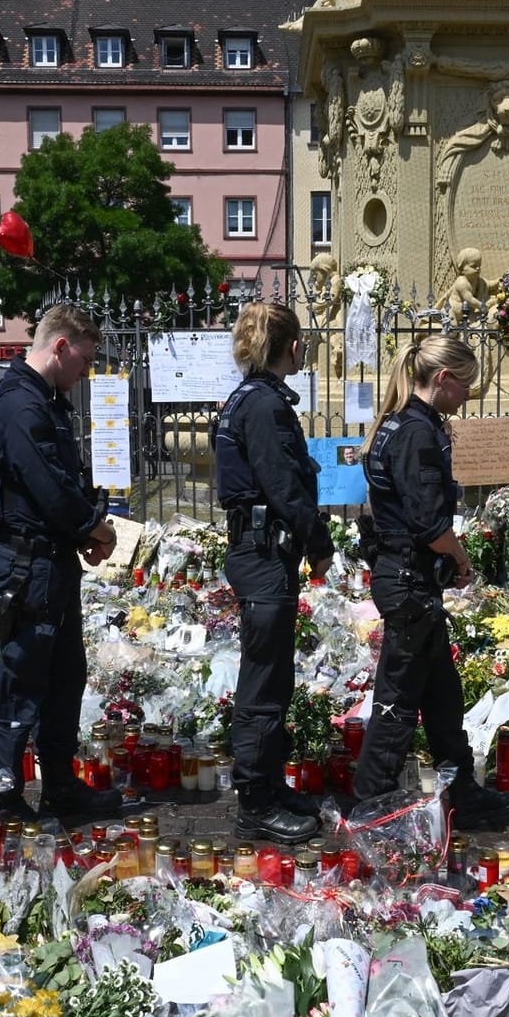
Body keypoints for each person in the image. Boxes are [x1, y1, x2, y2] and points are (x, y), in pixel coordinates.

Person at [355, 335, 509, 829]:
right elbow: (430, 524)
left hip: (407, 577)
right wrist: (463, 561)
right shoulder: (417, 433)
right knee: (397, 701)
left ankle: (461, 789)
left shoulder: (400, 424)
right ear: (442, 380)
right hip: (409, 578)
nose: (467, 396)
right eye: (464, 385)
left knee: (442, 694)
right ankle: (373, 805)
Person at [0, 305, 120, 822]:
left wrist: (84, 527)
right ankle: (4, 796)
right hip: (26, 565)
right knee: (21, 680)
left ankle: (59, 784)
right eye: (83, 360)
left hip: (50, 562)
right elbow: (49, 488)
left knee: (64, 679)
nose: (86, 372)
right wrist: (94, 528)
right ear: (59, 347)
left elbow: (65, 482)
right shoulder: (21, 406)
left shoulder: (45, 401)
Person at [212, 302, 333, 844]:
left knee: (274, 677)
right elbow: (283, 485)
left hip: (263, 553)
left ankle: (269, 784)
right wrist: (320, 544)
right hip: (263, 555)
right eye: (300, 342)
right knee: (263, 683)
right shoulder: (263, 406)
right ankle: (255, 802)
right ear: (288, 346)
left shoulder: (253, 398)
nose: (304, 350)